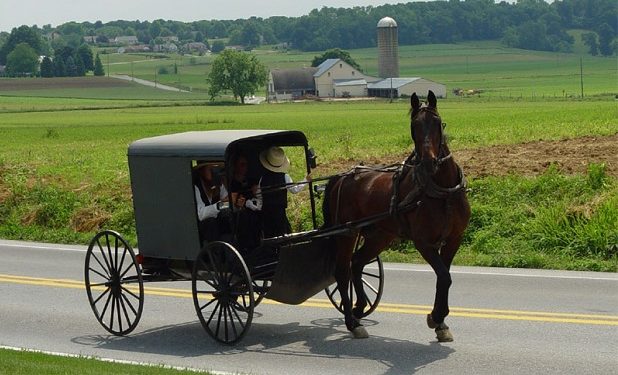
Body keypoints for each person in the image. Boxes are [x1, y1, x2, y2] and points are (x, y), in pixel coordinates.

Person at [258, 146, 311, 238]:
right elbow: (294, 189)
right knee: (282, 235)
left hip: (266, 213)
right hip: (279, 212)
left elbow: (259, 195)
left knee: (269, 236)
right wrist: (305, 180)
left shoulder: (262, 178)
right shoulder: (285, 177)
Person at [228, 154, 261, 249]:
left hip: (254, 207)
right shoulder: (232, 183)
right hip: (239, 211)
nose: (245, 167)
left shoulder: (251, 180)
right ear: (235, 166)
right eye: (242, 164)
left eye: (246, 164)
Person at [193, 162, 229, 243]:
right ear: (201, 171)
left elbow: (225, 204)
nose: (214, 172)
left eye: (216, 169)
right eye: (211, 169)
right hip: (200, 229)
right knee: (210, 222)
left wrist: (234, 202)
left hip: (216, 224)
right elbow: (200, 214)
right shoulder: (196, 188)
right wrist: (220, 205)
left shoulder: (218, 184)